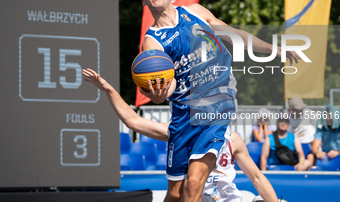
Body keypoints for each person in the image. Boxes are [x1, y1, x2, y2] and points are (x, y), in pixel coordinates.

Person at [139, 0, 300, 202]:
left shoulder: (194, 12)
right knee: (175, 194)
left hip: (216, 111)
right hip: (184, 117)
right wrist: (158, 94)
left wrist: (275, 50)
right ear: (144, 1)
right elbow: (166, 90)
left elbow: (236, 35)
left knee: (193, 183)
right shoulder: (152, 41)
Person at [82, 68, 278, 202]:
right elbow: (133, 121)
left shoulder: (232, 139)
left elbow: (257, 177)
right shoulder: (182, 131)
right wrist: (108, 89)